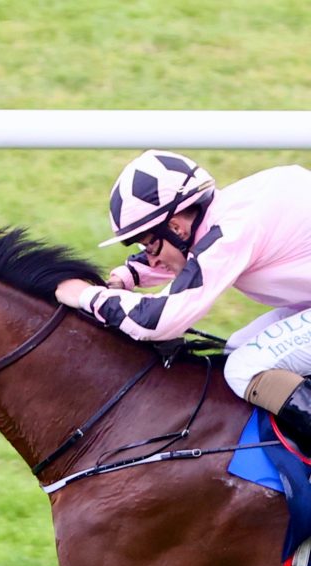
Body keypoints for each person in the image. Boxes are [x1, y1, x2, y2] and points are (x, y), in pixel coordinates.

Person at [53, 150, 311, 449]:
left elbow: (160, 321)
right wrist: (127, 276)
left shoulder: (232, 231)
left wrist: (86, 295)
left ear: (176, 226)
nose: (149, 253)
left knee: (244, 368)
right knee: (237, 348)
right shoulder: (228, 213)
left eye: (150, 243)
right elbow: (190, 258)